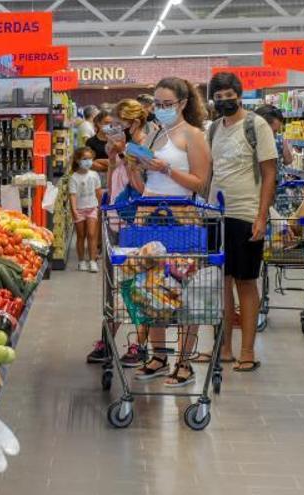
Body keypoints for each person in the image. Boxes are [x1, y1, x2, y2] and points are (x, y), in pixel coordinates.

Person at [124, 77, 212, 386]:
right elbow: (141, 185)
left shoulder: (194, 136)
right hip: (149, 216)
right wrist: (132, 163)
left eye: (166, 105)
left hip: (181, 217)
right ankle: (159, 356)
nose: (159, 110)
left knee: (183, 288)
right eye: (156, 105)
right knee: (149, 287)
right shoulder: (152, 134)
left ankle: (184, 362)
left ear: (183, 104)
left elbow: (200, 182)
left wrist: (167, 169)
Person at [207, 72, 278, 373]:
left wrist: (261, 216)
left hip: (245, 213)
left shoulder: (256, 125)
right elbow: (211, 171)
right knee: (220, 282)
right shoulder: (213, 128)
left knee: (245, 281)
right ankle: (224, 347)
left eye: (229, 94)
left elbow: (270, 173)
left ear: (239, 94)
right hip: (214, 214)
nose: (225, 100)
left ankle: (247, 351)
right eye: (219, 96)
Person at [86, 99, 150, 365]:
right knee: (113, 284)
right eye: (112, 125)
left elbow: (143, 187)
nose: (114, 130)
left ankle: (140, 343)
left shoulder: (147, 145)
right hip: (115, 219)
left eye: (118, 125)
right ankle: (109, 338)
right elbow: (114, 181)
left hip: (138, 222)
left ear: (133, 123)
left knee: (140, 285)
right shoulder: (119, 146)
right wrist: (113, 160)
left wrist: (127, 154)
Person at [70, 147, 102, 272]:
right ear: (78, 160)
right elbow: (72, 195)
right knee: (81, 236)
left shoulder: (94, 175)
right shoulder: (74, 178)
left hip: (92, 208)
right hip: (79, 210)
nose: (88, 162)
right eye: (85, 159)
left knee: (92, 234)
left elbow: (98, 192)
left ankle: (93, 261)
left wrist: (100, 207)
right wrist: (74, 211)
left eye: (90, 159)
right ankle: (81, 261)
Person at [255, 104, 294, 182]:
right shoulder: (249, 143)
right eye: (272, 131)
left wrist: (284, 143)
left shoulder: (279, 139)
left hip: (277, 186)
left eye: (276, 131)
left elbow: (288, 160)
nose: (274, 135)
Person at [85, 110, 112, 182]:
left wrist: (98, 161)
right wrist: (109, 164)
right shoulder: (90, 142)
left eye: (111, 123)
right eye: (106, 123)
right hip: (95, 179)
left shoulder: (115, 141)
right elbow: (89, 163)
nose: (109, 126)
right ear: (99, 123)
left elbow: (120, 163)